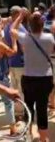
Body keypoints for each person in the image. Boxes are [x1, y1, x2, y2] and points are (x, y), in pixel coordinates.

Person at [11, 11, 54, 141]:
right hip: (45, 78)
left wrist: (19, 17)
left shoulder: (26, 38)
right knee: (42, 109)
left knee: (28, 108)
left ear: (29, 25)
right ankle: (43, 139)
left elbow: (12, 30)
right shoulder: (50, 38)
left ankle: (29, 136)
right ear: (42, 25)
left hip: (29, 78)